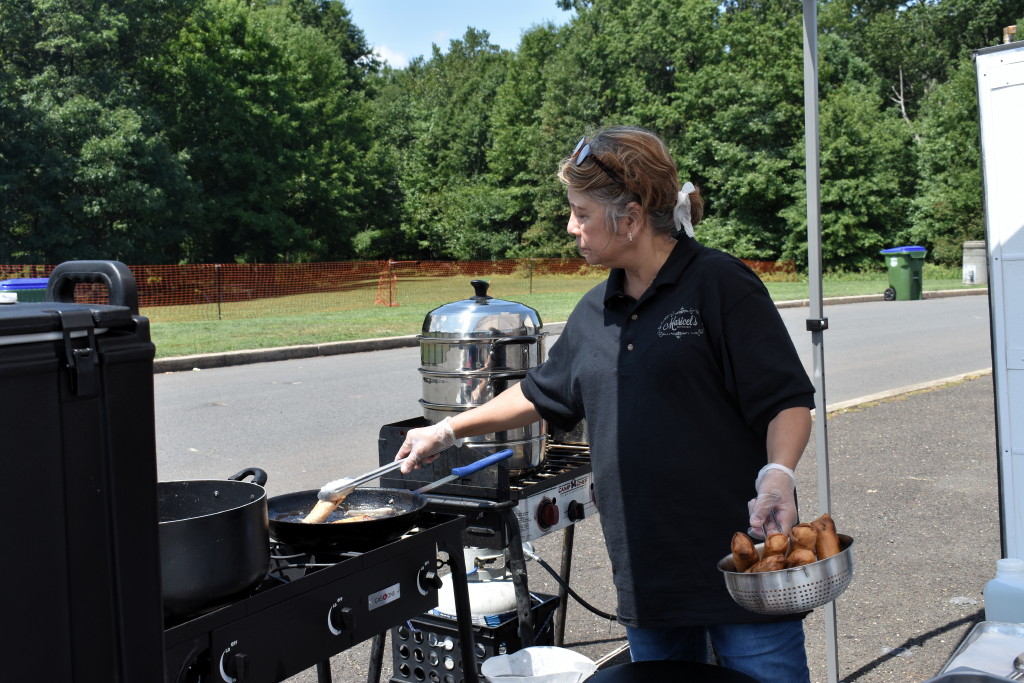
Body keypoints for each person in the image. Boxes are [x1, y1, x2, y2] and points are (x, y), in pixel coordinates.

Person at [396, 126, 815, 682]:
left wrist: (777, 476)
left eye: (581, 213)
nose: (571, 227)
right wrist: (447, 430)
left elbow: (786, 400)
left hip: (747, 566)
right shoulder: (597, 309)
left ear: (631, 218)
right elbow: (540, 391)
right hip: (650, 577)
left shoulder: (720, 285)